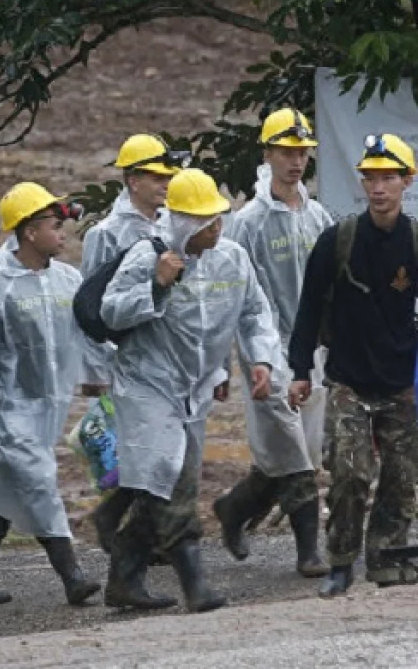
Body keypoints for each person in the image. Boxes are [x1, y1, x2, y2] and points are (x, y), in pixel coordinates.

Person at [100, 169, 278, 614]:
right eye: (204, 222)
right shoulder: (147, 257)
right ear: (181, 223)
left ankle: (124, 571)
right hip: (147, 383)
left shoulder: (232, 260)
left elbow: (255, 313)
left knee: (166, 482)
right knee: (172, 476)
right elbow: (110, 312)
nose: (215, 229)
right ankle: (195, 582)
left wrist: (260, 360)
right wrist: (155, 284)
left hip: (194, 388)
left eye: (218, 219)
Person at [0, 183, 100, 608]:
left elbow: (86, 334)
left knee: (5, 492)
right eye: (56, 226)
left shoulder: (67, 279)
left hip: (49, 406)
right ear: (29, 231)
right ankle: (72, 576)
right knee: (39, 481)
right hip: (9, 408)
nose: (64, 234)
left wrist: (98, 376)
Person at [289, 133, 418, 597]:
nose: (378, 188)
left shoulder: (415, 240)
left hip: (401, 381)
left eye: (388, 178)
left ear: (406, 182)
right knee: (350, 474)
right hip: (348, 378)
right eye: (371, 178)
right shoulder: (337, 240)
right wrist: (299, 370)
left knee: (403, 480)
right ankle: (342, 561)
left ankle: (386, 559)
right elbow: (307, 310)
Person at [214, 108, 334, 578]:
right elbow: (234, 296)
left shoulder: (317, 215)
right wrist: (229, 362)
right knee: (294, 453)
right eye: (287, 151)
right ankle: (309, 551)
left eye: (302, 151)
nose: (296, 160)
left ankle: (234, 507)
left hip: (312, 354)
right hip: (267, 350)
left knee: (297, 450)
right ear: (267, 154)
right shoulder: (249, 222)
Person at [79, 134, 184, 553]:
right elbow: (89, 306)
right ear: (131, 179)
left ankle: (123, 522)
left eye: (166, 176)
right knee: (145, 448)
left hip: (164, 352)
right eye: (154, 176)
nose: (164, 183)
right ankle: (145, 540)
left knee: (154, 447)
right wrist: (95, 369)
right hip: (124, 354)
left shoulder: (168, 224)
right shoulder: (105, 233)